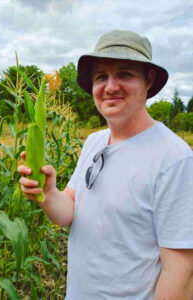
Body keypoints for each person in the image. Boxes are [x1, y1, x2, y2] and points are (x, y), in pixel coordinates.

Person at [18, 30, 193, 299]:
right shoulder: (95, 142)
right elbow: (70, 212)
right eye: (101, 76)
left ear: (149, 80)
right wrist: (48, 193)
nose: (110, 87)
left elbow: (180, 269)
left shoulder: (174, 158)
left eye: (124, 74)